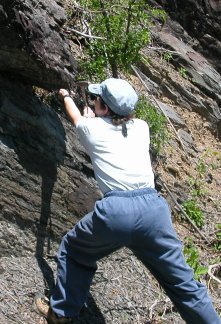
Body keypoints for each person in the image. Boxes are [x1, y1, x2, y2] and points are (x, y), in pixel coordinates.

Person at [35, 78, 221, 324]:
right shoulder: (142, 127)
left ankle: (61, 313)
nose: (93, 101)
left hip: (117, 212)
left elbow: (76, 118)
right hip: (154, 209)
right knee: (182, 283)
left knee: (74, 249)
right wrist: (98, 117)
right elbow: (112, 126)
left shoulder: (92, 129)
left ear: (104, 107)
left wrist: (66, 96)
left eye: (96, 99)